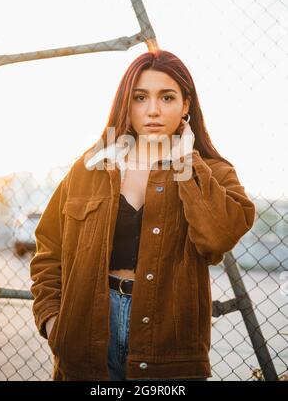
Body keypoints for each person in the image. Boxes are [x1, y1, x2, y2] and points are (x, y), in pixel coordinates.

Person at [30, 49, 256, 381]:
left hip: (167, 349)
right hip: (86, 342)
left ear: (186, 105)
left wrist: (186, 163)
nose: (152, 110)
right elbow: (48, 249)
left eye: (167, 97)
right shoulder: (93, 165)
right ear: (126, 103)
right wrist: (53, 322)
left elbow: (218, 237)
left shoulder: (213, 172)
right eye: (140, 97)